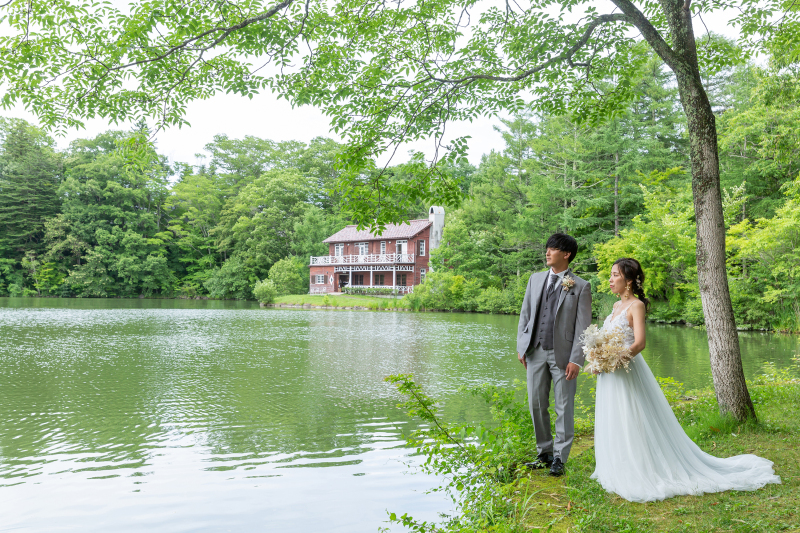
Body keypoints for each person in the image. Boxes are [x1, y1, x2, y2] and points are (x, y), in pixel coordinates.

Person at [592, 257, 781, 501]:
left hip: (626, 370)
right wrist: (598, 359)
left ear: (629, 281)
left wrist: (612, 360)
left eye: (615, 275)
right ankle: (617, 465)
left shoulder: (635, 306)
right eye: (611, 274)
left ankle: (643, 468)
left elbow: (639, 343)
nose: (610, 279)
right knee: (615, 416)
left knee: (633, 416)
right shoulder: (615, 307)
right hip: (610, 375)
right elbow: (607, 341)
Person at [517, 234, 592, 476]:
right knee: (536, 404)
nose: (547, 253)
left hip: (563, 355)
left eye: (552, 249)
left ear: (566, 254)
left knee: (563, 406)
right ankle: (544, 453)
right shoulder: (535, 279)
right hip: (535, 351)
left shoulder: (580, 285)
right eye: (547, 248)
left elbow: (583, 327)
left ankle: (560, 457)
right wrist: (522, 346)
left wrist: (576, 359)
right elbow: (525, 315)